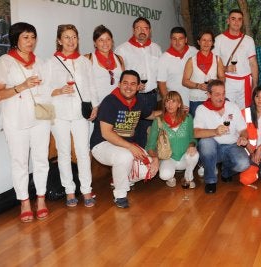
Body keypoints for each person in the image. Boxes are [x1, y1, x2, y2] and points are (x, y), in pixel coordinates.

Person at [0, 22, 50, 222]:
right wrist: (21, 86)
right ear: (15, 39)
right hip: (15, 119)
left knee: (41, 159)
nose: (30, 41)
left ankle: (41, 198)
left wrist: (49, 115)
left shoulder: (40, 62)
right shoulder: (5, 61)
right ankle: (25, 202)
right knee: (19, 162)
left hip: (41, 117)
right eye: (26, 37)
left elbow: (45, 92)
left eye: (33, 37)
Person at [90, 70, 160, 208]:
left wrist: (171, 111)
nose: (129, 87)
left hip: (124, 146)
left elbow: (150, 114)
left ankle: (119, 178)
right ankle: (120, 195)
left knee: (150, 169)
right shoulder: (110, 101)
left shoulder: (138, 100)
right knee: (125, 156)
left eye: (133, 84)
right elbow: (106, 133)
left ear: (138, 86)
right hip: (102, 145)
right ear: (119, 84)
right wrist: (130, 147)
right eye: (125, 83)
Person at [47, 24, 98, 208]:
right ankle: (69, 190)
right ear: (59, 40)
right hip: (59, 114)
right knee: (64, 152)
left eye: (74, 37)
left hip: (80, 114)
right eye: (67, 37)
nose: (71, 41)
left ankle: (86, 189)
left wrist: (95, 106)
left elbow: (92, 86)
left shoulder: (85, 62)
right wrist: (59, 90)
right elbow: (43, 90)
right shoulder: (50, 63)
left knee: (83, 152)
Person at [193, 79, 250, 194]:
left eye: (223, 93)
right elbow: (196, 133)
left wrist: (243, 137)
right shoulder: (201, 109)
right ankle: (210, 180)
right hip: (213, 147)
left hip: (232, 145)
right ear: (209, 95)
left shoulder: (233, 107)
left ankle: (226, 171)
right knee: (205, 143)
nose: (221, 97)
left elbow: (243, 130)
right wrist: (215, 131)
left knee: (244, 164)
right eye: (217, 94)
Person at [115, 17, 162, 147]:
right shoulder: (122, 49)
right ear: (133, 30)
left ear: (150, 31)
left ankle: (145, 164)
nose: (142, 31)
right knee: (128, 134)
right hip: (131, 98)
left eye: (145, 28)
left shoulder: (156, 48)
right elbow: (120, 77)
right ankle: (129, 164)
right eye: (138, 28)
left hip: (152, 97)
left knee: (148, 134)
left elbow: (160, 73)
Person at [146, 91, 199, 188]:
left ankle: (188, 178)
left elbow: (193, 138)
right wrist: (155, 158)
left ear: (179, 104)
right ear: (164, 104)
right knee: (164, 175)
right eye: (167, 101)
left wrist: (192, 146)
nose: (170, 104)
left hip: (185, 157)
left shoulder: (188, 118)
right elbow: (150, 145)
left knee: (194, 155)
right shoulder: (158, 121)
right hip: (168, 157)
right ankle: (170, 178)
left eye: (173, 101)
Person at [213, 9, 258, 109]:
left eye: (239, 19)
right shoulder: (219, 40)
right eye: (233, 19)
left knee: (244, 112)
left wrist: (254, 84)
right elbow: (214, 64)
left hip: (245, 82)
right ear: (228, 21)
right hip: (228, 81)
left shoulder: (248, 40)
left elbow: (253, 63)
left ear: (242, 22)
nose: (236, 22)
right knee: (228, 110)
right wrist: (225, 68)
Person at [182, 30, 225, 117]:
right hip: (196, 100)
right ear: (198, 42)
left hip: (213, 99)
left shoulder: (217, 59)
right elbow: (184, 81)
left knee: (213, 126)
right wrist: (198, 86)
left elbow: (223, 78)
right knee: (197, 128)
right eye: (203, 40)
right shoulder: (191, 60)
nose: (206, 43)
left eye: (209, 40)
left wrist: (214, 82)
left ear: (212, 43)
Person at [157, 27, 197, 106]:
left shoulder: (194, 52)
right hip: (177, 104)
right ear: (171, 40)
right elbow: (162, 84)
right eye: (174, 39)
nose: (177, 42)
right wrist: (170, 104)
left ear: (186, 40)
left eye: (180, 39)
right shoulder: (164, 58)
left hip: (195, 99)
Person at [85, 25, 124, 102]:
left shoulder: (119, 59)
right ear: (95, 43)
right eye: (101, 40)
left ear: (112, 41)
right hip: (97, 106)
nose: (105, 43)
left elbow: (123, 82)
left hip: (118, 103)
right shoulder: (88, 58)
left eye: (108, 39)